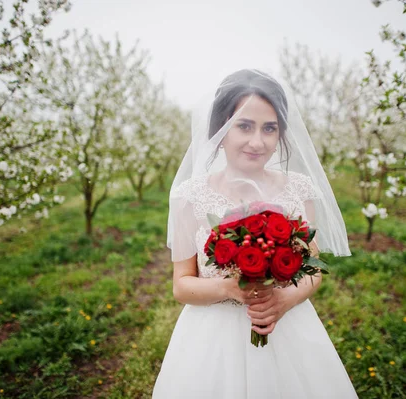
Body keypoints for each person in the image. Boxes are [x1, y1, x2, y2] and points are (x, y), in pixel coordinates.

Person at [152, 69, 358, 398]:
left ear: (281, 134)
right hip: (213, 338)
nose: (257, 141)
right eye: (244, 126)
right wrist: (230, 288)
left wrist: (285, 299)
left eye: (269, 129)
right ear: (220, 130)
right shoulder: (189, 198)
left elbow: (314, 266)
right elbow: (181, 285)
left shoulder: (298, 189)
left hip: (287, 325)